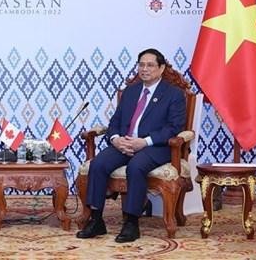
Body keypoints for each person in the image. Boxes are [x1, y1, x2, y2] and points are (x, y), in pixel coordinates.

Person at [76, 48, 186, 243]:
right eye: (141, 65)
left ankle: (131, 223)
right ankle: (96, 219)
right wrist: (116, 139)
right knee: (98, 164)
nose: (144, 69)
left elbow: (174, 128)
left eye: (150, 65)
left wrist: (144, 142)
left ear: (161, 68)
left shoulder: (173, 94)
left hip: (155, 147)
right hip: (124, 144)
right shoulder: (130, 92)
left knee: (136, 166)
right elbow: (115, 123)